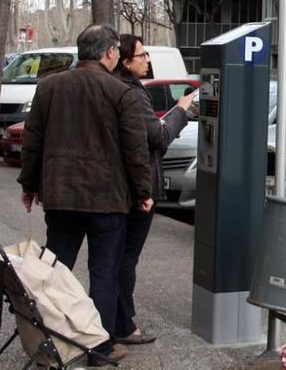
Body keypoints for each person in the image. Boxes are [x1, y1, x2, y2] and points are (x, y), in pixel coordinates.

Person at [18, 24, 153, 367]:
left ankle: (51, 342)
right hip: (107, 202)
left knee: (54, 273)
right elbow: (135, 150)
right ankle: (100, 348)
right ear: (109, 52)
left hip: (61, 198)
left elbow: (32, 142)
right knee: (104, 275)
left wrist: (29, 186)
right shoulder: (120, 92)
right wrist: (144, 193)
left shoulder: (49, 88)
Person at [113, 34, 192, 345]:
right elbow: (157, 137)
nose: (148, 60)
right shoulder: (131, 92)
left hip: (120, 187)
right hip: (136, 189)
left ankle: (117, 319)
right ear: (125, 61)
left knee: (117, 257)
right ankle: (123, 324)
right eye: (142, 55)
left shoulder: (118, 87)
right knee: (125, 258)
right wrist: (181, 110)